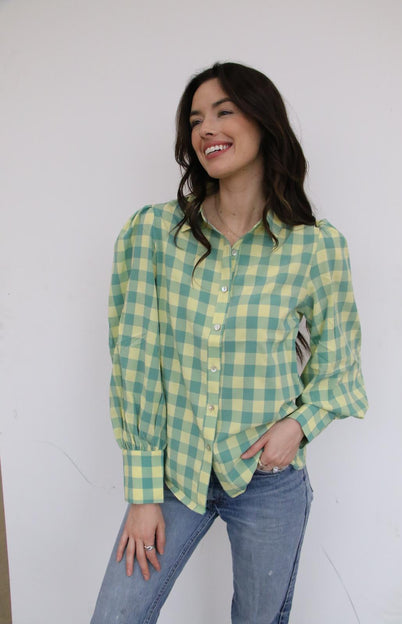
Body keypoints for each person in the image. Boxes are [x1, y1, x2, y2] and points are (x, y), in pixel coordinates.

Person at [91, 62, 368, 624]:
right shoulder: (154, 233)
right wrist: (143, 494)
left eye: (224, 112)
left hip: (269, 481)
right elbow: (135, 357)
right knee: (117, 616)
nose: (206, 129)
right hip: (173, 473)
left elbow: (340, 363)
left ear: (264, 122)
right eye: (195, 120)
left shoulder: (315, 247)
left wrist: (299, 426)